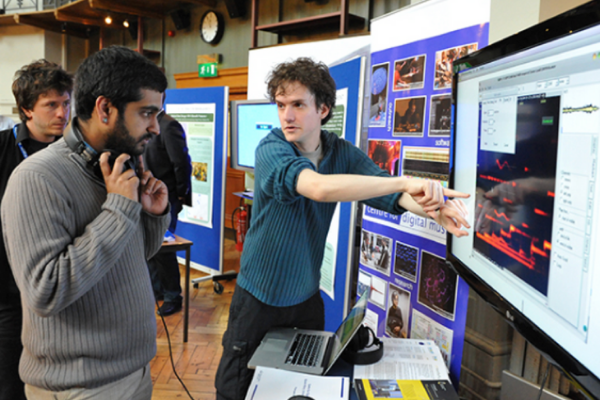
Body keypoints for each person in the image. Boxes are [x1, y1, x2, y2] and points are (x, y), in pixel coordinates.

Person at [214, 57, 470, 400]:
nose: (287, 115)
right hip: (258, 299)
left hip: (305, 299)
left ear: (322, 109)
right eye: (281, 105)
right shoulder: (272, 148)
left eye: (298, 105)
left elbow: (387, 191)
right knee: (235, 389)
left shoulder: (340, 152)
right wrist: (408, 181)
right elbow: (318, 187)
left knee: (297, 390)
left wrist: (434, 210)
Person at [1, 46, 169, 399]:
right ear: (105, 108)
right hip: (81, 388)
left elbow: (132, 255)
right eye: (147, 113)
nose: (156, 127)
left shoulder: (121, 165)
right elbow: (45, 291)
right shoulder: (36, 177)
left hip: (134, 371)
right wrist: (119, 210)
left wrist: (152, 216)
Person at [0, 60, 72, 400]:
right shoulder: (4, 149)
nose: (62, 113)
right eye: (52, 105)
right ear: (27, 109)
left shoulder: (76, 151)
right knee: (10, 384)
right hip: (9, 292)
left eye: (66, 103)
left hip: (59, 290)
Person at [145, 112, 192, 316]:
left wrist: (182, 195)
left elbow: (181, 163)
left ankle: (174, 296)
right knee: (151, 247)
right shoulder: (143, 122)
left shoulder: (169, 125)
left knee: (164, 247)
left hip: (167, 197)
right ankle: (157, 290)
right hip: (146, 195)